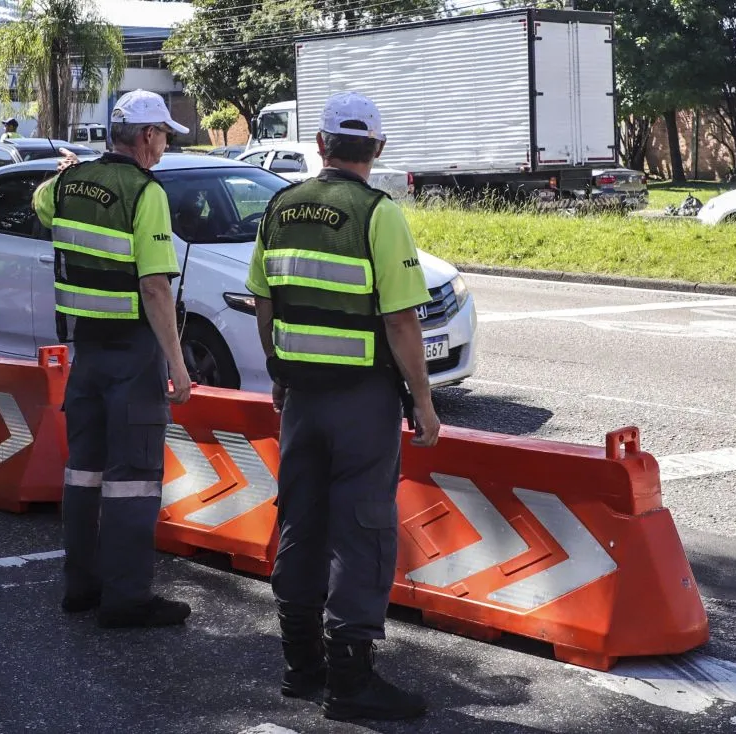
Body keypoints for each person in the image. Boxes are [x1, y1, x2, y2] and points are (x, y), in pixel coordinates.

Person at [245, 91, 441, 722]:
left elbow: (265, 299)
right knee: (362, 530)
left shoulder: (278, 205)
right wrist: (424, 399)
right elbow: (402, 318)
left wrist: (279, 370)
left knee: (301, 520)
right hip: (362, 400)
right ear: (377, 148)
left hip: (301, 397)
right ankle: (351, 681)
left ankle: (302, 667)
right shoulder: (378, 214)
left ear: (323, 145)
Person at [32, 89, 194, 629]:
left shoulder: (68, 184)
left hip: (88, 353)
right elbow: (154, 287)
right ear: (146, 137)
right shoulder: (145, 192)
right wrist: (177, 362)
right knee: (133, 479)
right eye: (164, 134)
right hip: (132, 355)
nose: (166, 144)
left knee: (84, 474)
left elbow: (40, 202)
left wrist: (67, 172)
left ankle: (81, 587)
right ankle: (126, 599)